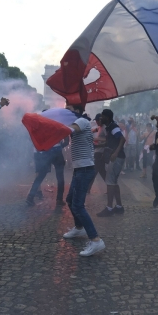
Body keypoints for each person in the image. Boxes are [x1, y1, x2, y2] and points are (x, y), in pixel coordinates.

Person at [61, 103, 105, 256]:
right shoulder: (77, 122)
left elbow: (69, 130)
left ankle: (96, 240)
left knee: (78, 205)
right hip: (79, 169)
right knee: (70, 200)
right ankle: (79, 228)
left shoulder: (81, 121)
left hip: (85, 169)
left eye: (69, 108)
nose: (66, 110)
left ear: (77, 111)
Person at [96, 108, 126, 217]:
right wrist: (97, 146)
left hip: (116, 158)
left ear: (107, 118)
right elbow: (109, 143)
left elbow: (122, 139)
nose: (100, 118)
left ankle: (109, 208)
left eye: (102, 116)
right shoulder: (109, 127)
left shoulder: (113, 127)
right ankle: (119, 207)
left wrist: (116, 153)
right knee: (113, 181)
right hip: (116, 157)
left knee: (110, 181)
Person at [26, 135, 68, 207]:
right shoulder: (58, 125)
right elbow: (67, 140)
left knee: (41, 175)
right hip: (57, 151)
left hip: (46, 151)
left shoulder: (44, 126)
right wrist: (61, 145)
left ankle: (30, 196)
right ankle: (59, 199)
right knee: (60, 176)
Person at [87, 113, 107, 194]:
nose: (97, 122)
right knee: (102, 172)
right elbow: (92, 131)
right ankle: (111, 186)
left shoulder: (105, 128)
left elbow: (108, 139)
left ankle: (87, 189)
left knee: (94, 171)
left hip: (100, 152)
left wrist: (97, 139)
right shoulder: (99, 127)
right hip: (97, 151)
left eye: (98, 120)